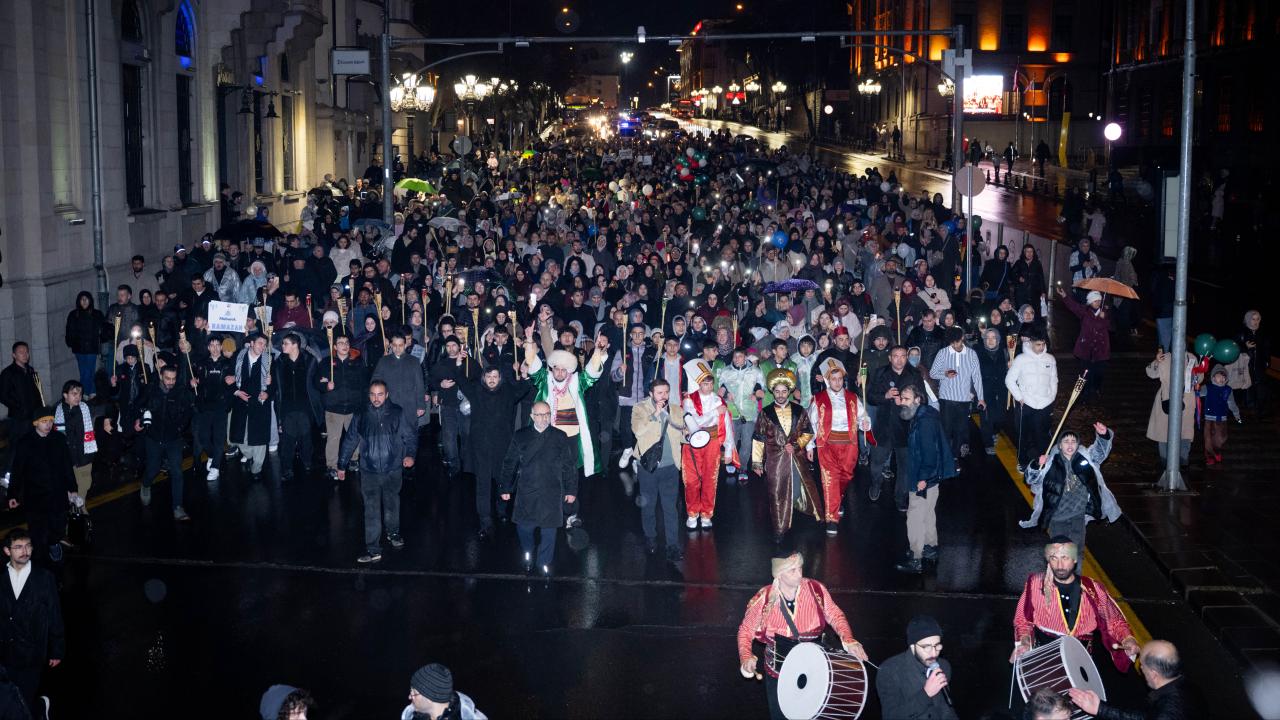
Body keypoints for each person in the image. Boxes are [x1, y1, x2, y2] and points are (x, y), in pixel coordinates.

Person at [736, 552, 867, 720]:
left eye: (800, 568)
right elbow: (746, 630)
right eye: (792, 571)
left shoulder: (815, 589)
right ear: (779, 575)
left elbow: (835, 615)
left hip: (814, 667)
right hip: (779, 672)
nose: (799, 574)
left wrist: (849, 640)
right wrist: (746, 656)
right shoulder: (765, 598)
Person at [1012, 536, 1140, 677]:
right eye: (1054, 558)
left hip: (1081, 660)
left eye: (1065, 558)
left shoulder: (1093, 589)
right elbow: (1023, 620)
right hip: (1044, 657)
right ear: (1048, 560)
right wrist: (1025, 641)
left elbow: (1113, 620)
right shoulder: (1035, 584)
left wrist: (1127, 638)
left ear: (1074, 560)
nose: (1060, 565)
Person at [521, 327, 607, 528]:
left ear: (569, 370)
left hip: (572, 438)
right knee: (549, 474)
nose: (560, 372)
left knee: (571, 475)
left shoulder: (577, 381)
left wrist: (597, 351)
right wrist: (529, 340)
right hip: (550, 437)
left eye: (563, 369)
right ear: (552, 369)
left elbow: (592, 373)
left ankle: (572, 513)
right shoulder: (544, 380)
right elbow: (533, 364)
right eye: (556, 368)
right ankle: (550, 511)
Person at [337, 380, 416, 564]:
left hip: (392, 468)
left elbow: (410, 436)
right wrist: (341, 464)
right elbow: (350, 440)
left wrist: (410, 455)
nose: (376, 398)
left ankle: (393, 533)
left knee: (392, 504)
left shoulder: (397, 413)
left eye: (380, 394)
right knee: (371, 509)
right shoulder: (361, 414)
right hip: (369, 470)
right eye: (373, 394)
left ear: (387, 395)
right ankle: (373, 549)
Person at [498, 401, 578, 577]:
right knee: (524, 528)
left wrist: (571, 490)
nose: (544, 418)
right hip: (527, 489)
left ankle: (544, 562)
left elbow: (568, 465)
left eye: (547, 414)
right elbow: (509, 463)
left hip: (552, 491)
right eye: (540, 415)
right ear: (532, 416)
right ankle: (528, 551)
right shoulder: (521, 436)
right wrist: (505, 487)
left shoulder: (559, 436)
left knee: (549, 530)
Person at [1020, 423, 1121, 548]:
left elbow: (1100, 452)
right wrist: (1037, 465)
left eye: (1073, 441)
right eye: (1066, 441)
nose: (1070, 444)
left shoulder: (1085, 458)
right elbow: (1031, 479)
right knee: (1059, 548)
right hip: (1058, 514)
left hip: (1079, 513)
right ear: (1060, 445)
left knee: (1075, 548)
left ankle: (1072, 559)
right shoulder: (1051, 463)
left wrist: (1103, 436)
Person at [751, 369, 822, 544]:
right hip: (775, 460)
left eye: (784, 391)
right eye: (777, 391)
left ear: (789, 391)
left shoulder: (799, 410)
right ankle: (780, 528)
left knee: (796, 489)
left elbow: (808, 432)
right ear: (772, 392)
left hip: (795, 458)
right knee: (777, 493)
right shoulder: (765, 413)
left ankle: (794, 510)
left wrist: (797, 445)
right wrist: (757, 462)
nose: (781, 395)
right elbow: (758, 438)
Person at [0, 530, 64, 717]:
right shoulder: (1, 579)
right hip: (5, 652)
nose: (25, 551)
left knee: (23, 700)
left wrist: (57, 649)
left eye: (28, 546)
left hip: (32, 653)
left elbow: (54, 614)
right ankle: (39, 707)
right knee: (10, 701)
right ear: (7, 551)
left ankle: (38, 708)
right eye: (18, 547)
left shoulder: (44, 578)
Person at [5, 407, 80, 562]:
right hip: (35, 495)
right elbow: (17, 470)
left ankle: (54, 543)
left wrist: (72, 488)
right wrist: (13, 494)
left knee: (58, 524)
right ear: (35, 423)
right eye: (44, 421)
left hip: (57, 492)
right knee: (37, 530)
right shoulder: (25, 443)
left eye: (50, 421)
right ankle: (39, 560)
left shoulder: (58, 439)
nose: (48, 424)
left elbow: (67, 465)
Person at [465, 366, 532, 539]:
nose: (492, 379)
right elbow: (462, 381)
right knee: (483, 484)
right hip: (481, 447)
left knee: (503, 480)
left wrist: (524, 375)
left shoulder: (507, 393)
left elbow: (523, 389)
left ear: (500, 378)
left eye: (495, 376)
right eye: (489, 376)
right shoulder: (476, 392)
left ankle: (501, 509)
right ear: (484, 378)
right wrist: (458, 363)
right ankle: (485, 520)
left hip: (502, 446)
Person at [896, 385, 956, 574]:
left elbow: (930, 454)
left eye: (906, 399)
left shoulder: (924, 423)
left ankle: (916, 557)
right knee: (928, 513)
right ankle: (930, 548)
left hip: (923, 477)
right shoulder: (923, 415)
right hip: (931, 477)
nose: (902, 402)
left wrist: (922, 478)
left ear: (917, 400)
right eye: (902, 398)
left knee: (915, 517)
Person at [806, 359, 870, 535]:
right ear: (828, 380)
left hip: (849, 445)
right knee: (830, 480)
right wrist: (809, 446)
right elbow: (810, 424)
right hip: (827, 445)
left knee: (846, 476)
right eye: (833, 379)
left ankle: (836, 498)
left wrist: (865, 423)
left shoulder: (852, 397)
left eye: (840, 379)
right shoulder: (818, 399)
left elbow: (863, 416)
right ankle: (831, 518)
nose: (837, 382)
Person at [1066, 639, 1198, 719]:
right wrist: (1101, 709)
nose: (1141, 668)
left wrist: (1101, 709)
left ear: (1154, 674)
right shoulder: (1187, 686)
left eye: (1142, 666)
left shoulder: (1166, 713)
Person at [629, 378, 687, 561]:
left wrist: (690, 434)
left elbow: (681, 435)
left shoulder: (676, 409)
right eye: (660, 393)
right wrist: (655, 414)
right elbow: (638, 431)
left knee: (671, 508)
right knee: (648, 505)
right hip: (648, 467)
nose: (664, 396)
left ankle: (673, 546)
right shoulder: (639, 408)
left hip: (670, 466)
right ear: (651, 394)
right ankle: (650, 537)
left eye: (666, 392)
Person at [680, 358, 738, 529]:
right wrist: (714, 413)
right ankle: (692, 513)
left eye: (711, 383)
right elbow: (693, 422)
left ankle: (706, 514)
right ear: (699, 384)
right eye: (705, 384)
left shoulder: (718, 400)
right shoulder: (689, 400)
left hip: (712, 443)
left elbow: (726, 425)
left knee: (710, 479)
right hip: (692, 444)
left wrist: (728, 449)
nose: (709, 387)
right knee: (691, 480)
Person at [867, 345, 926, 505]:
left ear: (907, 357)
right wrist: (885, 396)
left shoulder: (914, 374)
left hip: (906, 428)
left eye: (902, 356)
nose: (899, 360)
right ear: (890, 358)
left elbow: (923, 399)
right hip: (883, 427)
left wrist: (908, 402)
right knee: (876, 462)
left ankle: (901, 496)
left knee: (905, 466)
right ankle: (876, 485)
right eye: (895, 356)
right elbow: (870, 396)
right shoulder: (881, 373)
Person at [876, 615, 958, 720]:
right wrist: (926, 694)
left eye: (937, 646)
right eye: (927, 647)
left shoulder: (944, 666)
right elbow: (891, 716)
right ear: (912, 646)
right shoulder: (889, 670)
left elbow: (946, 710)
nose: (934, 653)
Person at [139, 365, 194, 520]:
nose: (170, 382)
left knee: (177, 471)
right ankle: (145, 484)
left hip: (173, 439)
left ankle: (178, 507)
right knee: (153, 469)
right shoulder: (151, 390)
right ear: (161, 376)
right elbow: (138, 405)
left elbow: (189, 411)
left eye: (173, 379)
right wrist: (140, 419)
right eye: (167, 378)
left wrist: (180, 427)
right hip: (154, 438)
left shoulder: (180, 392)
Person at [272, 333, 323, 482]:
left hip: (305, 405)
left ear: (295, 345)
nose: (282, 346)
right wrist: (270, 381)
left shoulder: (309, 360)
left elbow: (316, 381)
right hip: (287, 405)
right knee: (287, 438)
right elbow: (276, 385)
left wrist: (323, 381)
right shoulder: (279, 362)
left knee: (305, 435)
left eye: (285, 343)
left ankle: (307, 461)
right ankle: (287, 468)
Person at [1006, 328, 1057, 472]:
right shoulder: (1021, 359)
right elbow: (1009, 380)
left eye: (1043, 344)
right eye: (1038, 345)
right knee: (1024, 435)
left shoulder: (1050, 359)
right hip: (1026, 403)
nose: (1041, 347)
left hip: (1045, 404)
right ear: (1031, 344)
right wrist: (1019, 397)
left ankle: (1042, 461)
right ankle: (1023, 461)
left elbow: (1054, 380)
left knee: (1043, 435)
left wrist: (1051, 397)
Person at [929, 326, 984, 463]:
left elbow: (977, 377)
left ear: (962, 338)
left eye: (957, 342)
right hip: (946, 398)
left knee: (960, 429)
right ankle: (945, 456)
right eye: (952, 342)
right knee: (946, 429)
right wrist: (945, 374)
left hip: (964, 398)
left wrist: (981, 398)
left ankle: (954, 457)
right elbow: (932, 373)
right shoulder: (943, 353)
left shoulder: (971, 354)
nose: (955, 345)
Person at [320, 332, 369, 481]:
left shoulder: (357, 362)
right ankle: (332, 466)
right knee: (334, 438)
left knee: (354, 436)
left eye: (347, 342)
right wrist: (326, 386)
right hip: (334, 408)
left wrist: (363, 403)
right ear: (335, 346)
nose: (345, 345)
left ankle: (354, 459)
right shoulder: (326, 362)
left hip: (353, 407)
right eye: (341, 343)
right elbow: (316, 381)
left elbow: (365, 383)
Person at [427, 334, 478, 476]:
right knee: (449, 437)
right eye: (448, 346)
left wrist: (470, 391)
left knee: (467, 434)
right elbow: (431, 380)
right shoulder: (441, 364)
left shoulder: (469, 362)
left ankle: (466, 463)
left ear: (459, 346)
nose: (451, 348)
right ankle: (453, 464)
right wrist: (440, 385)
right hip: (448, 404)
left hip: (466, 406)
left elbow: (479, 379)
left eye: (454, 345)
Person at [190, 335, 234, 482]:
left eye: (217, 345)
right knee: (203, 437)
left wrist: (234, 380)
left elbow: (238, 381)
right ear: (208, 347)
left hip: (221, 405)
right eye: (212, 345)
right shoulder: (201, 364)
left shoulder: (228, 363)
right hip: (205, 405)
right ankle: (212, 455)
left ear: (221, 347)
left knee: (219, 437)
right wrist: (193, 383)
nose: (215, 348)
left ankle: (215, 467)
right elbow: (194, 381)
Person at [230, 332, 274, 479]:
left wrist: (268, 392)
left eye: (265, 344)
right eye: (260, 343)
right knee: (240, 437)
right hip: (241, 402)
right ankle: (249, 456)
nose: (263, 347)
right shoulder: (238, 357)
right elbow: (228, 377)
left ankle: (257, 468)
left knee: (259, 438)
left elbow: (276, 385)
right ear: (252, 343)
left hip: (260, 402)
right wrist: (236, 392)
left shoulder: (269, 361)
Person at [1144, 347, 1197, 468]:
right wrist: (1156, 361)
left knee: (1185, 433)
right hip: (1166, 397)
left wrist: (1196, 376)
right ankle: (1164, 461)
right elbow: (1151, 373)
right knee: (1163, 432)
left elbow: (1199, 377)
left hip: (1187, 399)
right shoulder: (1165, 357)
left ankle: (1183, 461)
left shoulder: (1191, 357)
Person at [0, 343, 42, 485]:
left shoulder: (30, 371)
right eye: (21, 352)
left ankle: (28, 472)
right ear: (14, 355)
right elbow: (3, 395)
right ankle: (6, 474)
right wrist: (18, 406)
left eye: (26, 352)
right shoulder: (8, 373)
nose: (25, 355)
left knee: (32, 444)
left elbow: (37, 392)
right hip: (18, 417)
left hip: (33, 415)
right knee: (15, 445)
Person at [53, 381, 96, 511]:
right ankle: (78, 509)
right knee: (72, 485)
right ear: (65, 395)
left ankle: (79, 506)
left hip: (84, 453)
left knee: (86, 483)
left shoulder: (84, 408)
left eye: (80, 394)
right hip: (68, 456)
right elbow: (57, 435)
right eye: (74, 394)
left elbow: (105, 406)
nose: (78, 397)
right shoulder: (58, 411)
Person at [400, 663, 488, 720]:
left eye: (414, 693)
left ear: (430, 696)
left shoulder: (468, 717)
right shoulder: (410, 716)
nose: (409, 697)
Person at [64, 291, 105, 400]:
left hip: (92, 347)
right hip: (79, 348)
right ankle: (90, 391)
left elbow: (103, 328)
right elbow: (69, 330)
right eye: (82, 299)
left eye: (86, 299)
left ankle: (85, 392)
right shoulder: (74, 314)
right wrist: (70, 342)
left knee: (89, 370)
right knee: (84, 371)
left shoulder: (96, 314)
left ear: (90, 301)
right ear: (79, 301)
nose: (84, 301)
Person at [1199, 365, 1241, 466]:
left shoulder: (1228, 389)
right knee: (1208, 438)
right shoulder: (1207, 387)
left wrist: (1237, 415)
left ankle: (1216, 451)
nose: (1222, 378)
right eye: (1219, 376)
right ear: (1213, 377)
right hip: (1209, 418)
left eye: (1224, 376)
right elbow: (1198, 393)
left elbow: (1232, 403)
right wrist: (1195, 388)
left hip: (1222, 419)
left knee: (1221, 438)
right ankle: (1210, 457)